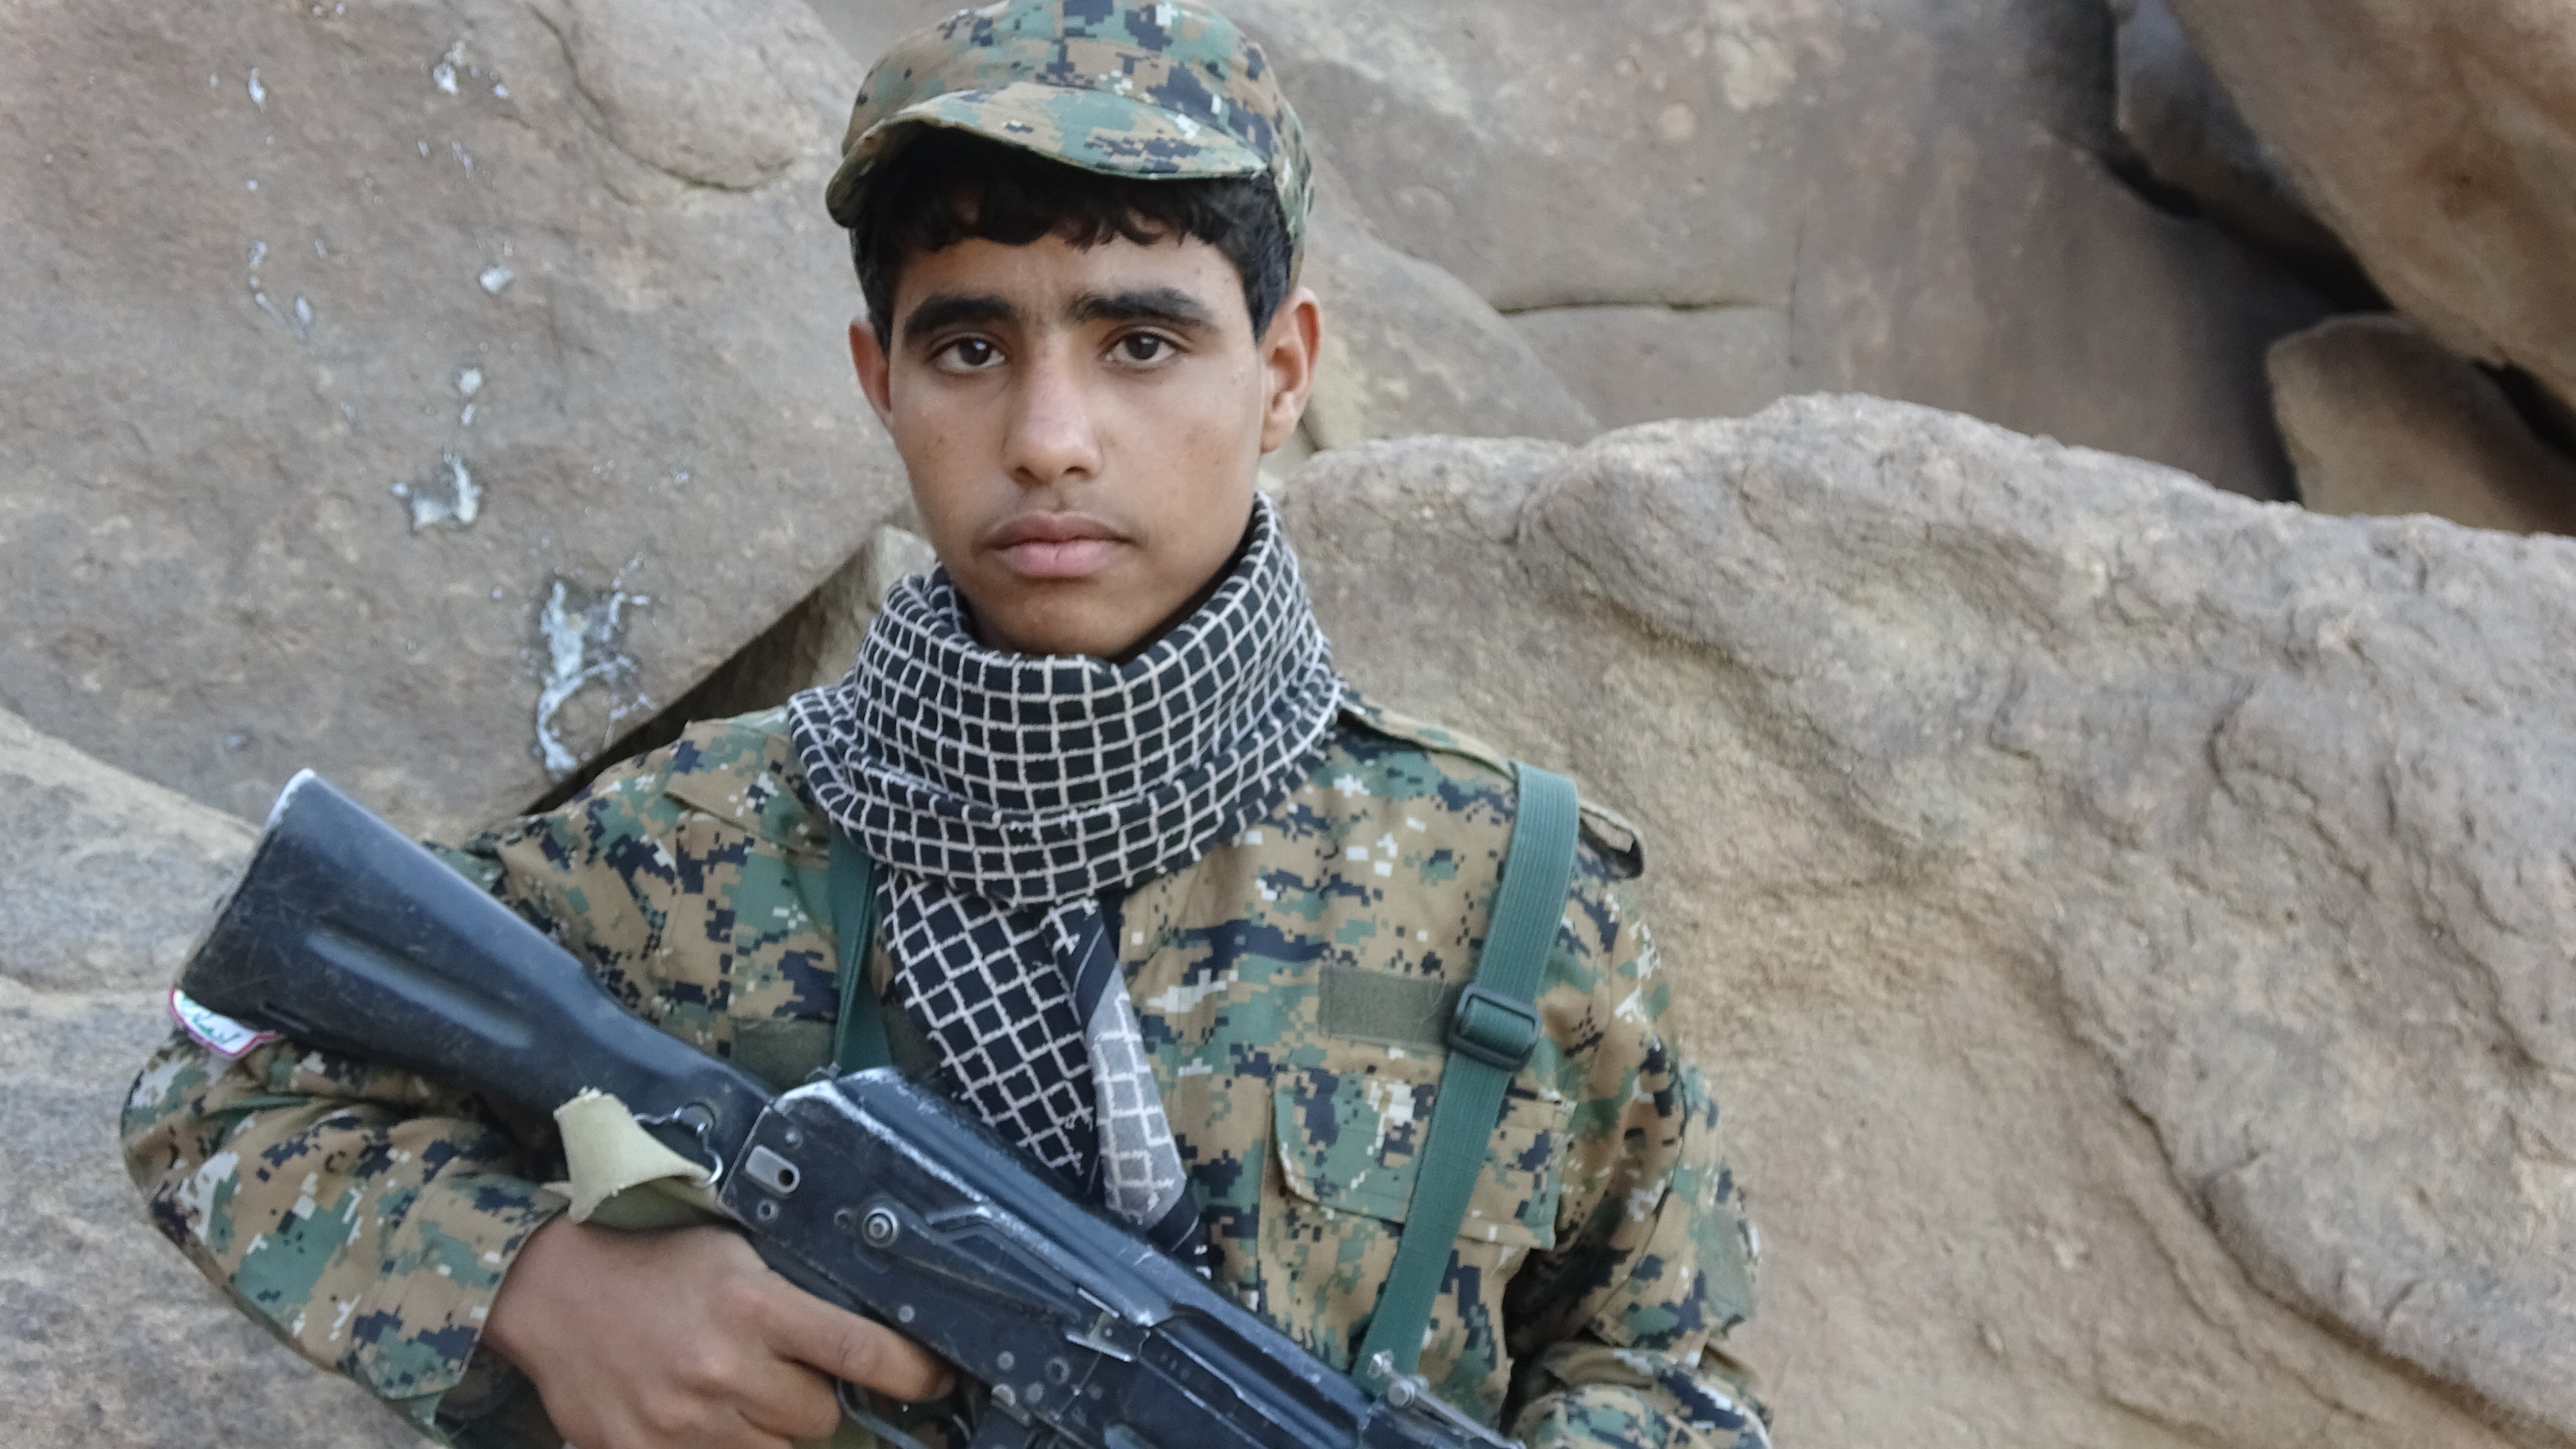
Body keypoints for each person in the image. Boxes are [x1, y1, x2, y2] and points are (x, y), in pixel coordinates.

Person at [121, 3, 1769, 1446]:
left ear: (1283, 373)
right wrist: (540, 1290)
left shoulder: (1511, 895)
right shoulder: (691, 848)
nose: (1051, 437)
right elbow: (218, 1082)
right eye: (971, 346)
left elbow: (1659, 1357)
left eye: (1141, 343)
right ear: (879, 378)